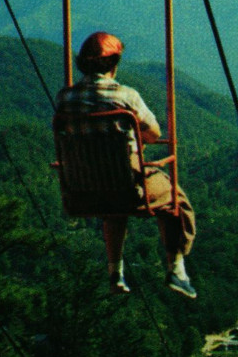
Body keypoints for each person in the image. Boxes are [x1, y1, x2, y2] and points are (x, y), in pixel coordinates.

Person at [55, 31, 197, 298]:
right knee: (177, 199)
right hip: (126, 186)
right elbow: (153, 133)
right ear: (114, 63)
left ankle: (115, 272)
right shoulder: (127, 97)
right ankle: (177, 269)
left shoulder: (65, 98)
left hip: (83, 186)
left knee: (113, 206)